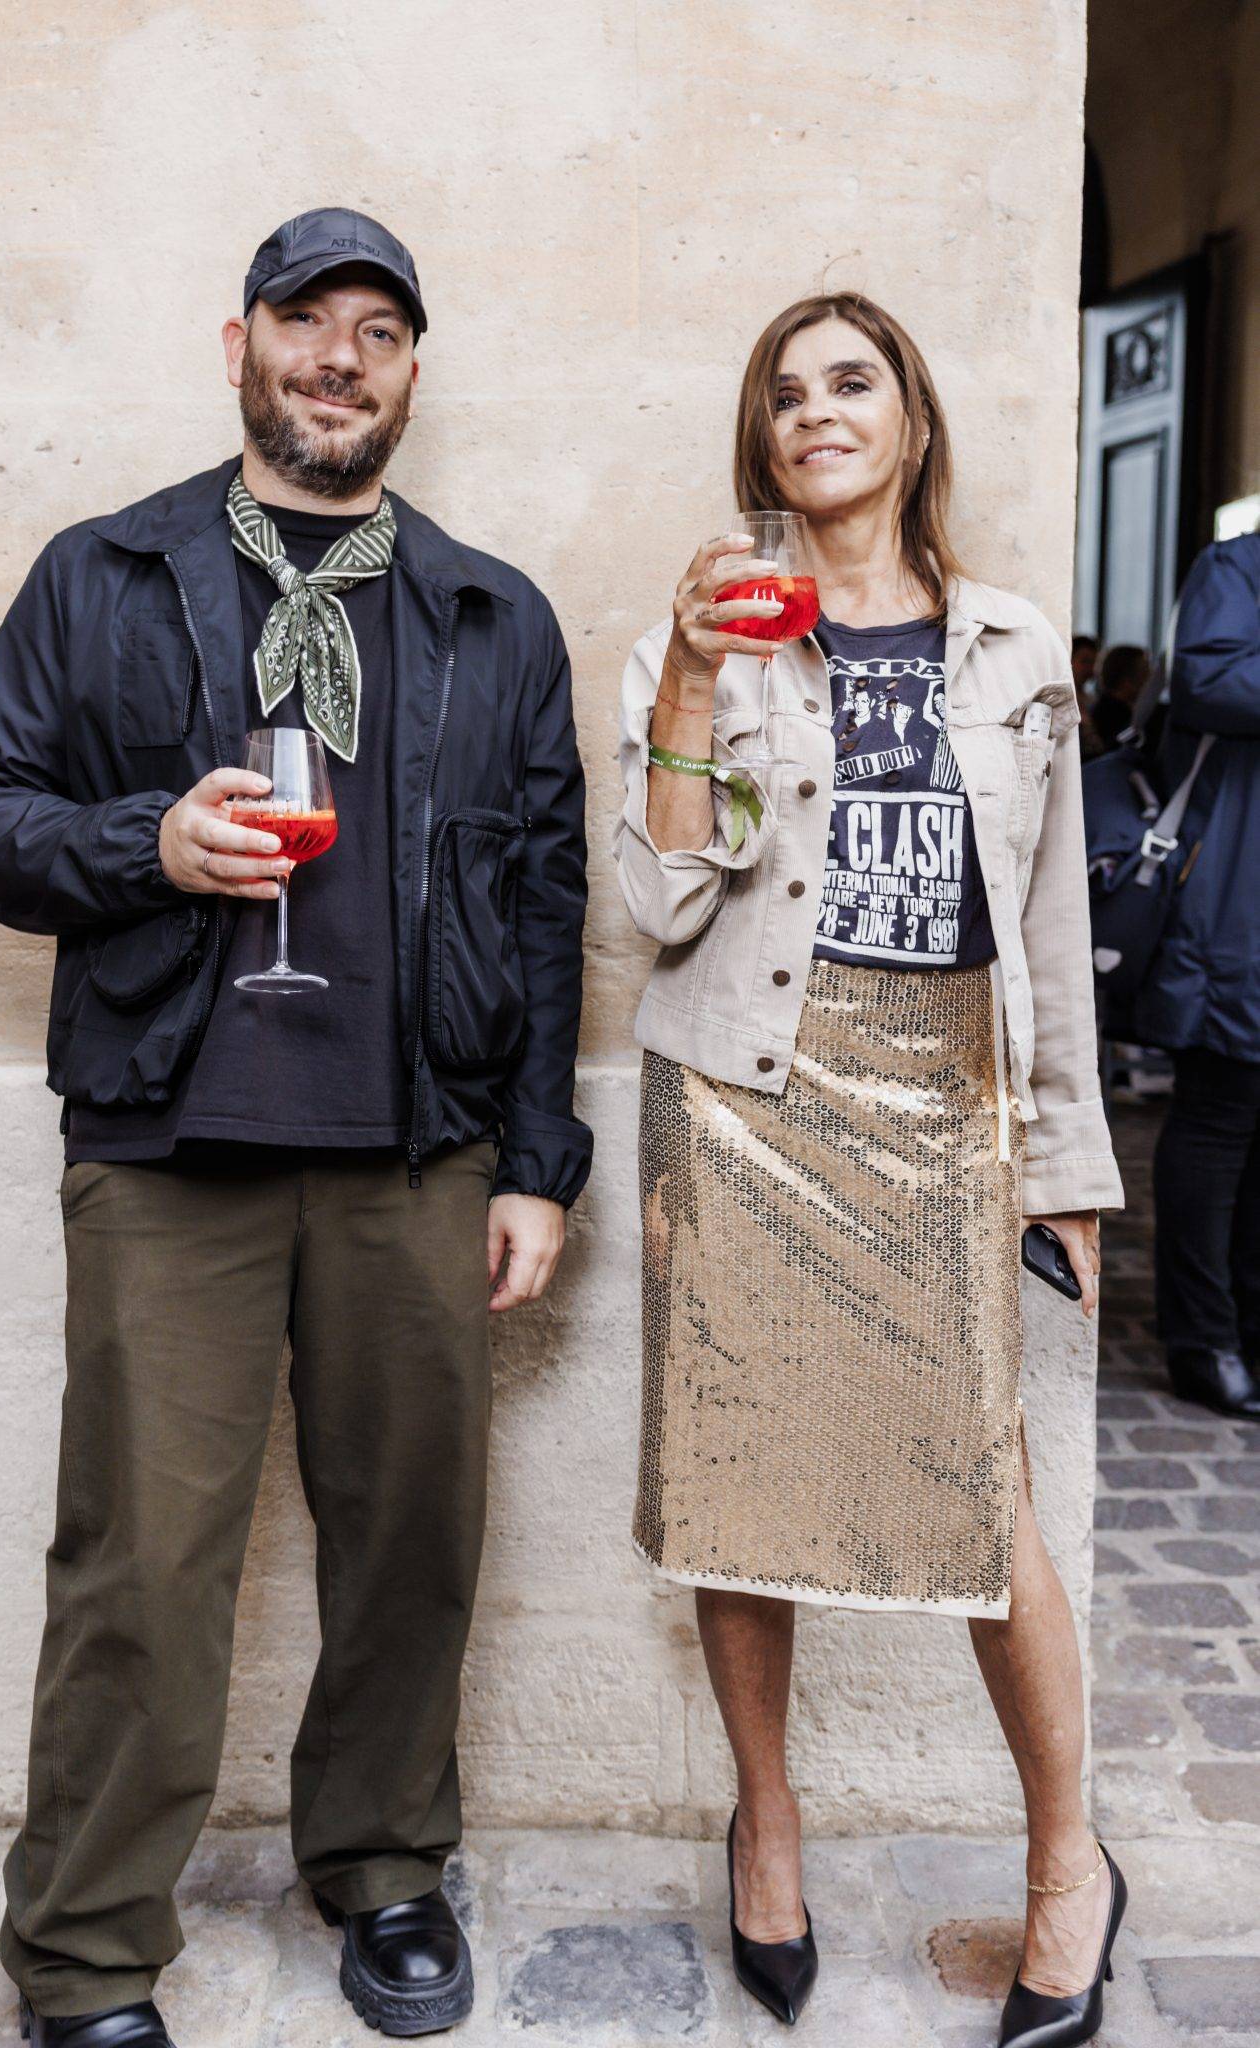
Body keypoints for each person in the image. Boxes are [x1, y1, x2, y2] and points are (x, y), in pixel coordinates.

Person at [0, 207, 591, 2048]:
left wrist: (538, 1159)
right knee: (140, 1556)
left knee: (413, 1540)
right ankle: (83, 1950)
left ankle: (382, 1864)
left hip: (414, 1146)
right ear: (240, 340)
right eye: (311, 319)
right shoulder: (105, 573)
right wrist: (139, 844)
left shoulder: (487, 613)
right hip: (168, 1145)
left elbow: (546, 899)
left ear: (404, 374)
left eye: (380, 329)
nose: (341, 356)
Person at [614, 292, 1126, 2045]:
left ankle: (1072, 1861)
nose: (813, 411)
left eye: (850, 381)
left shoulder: (1011, 642)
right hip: (745, 1098)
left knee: (988, 1514)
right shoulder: (712, 632)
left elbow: (1046, 919)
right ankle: (768, 1817)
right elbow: (658, 900)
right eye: (783, 392)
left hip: (938, 1103)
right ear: (759, 442)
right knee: (741, 1487)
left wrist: (1059, 1156)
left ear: (910, 416)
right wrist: (689, 673)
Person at [1136, 532, 1260, 1421]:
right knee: (1220, 1117)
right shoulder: (1240, 567)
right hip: (1239, 893)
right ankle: (1202, 1339)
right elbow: (1209, 683)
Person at [1090, 643, 1150, 750]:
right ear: (1127, 682)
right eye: (1146, 674)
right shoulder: (1115, 717)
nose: (1150, 682)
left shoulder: (1102, 708)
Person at [1071, 636, 1106, 760]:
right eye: (1084, 661)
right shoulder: (1058, 700)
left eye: (1093, 663)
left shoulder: (1092, 701)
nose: (1090, 670)